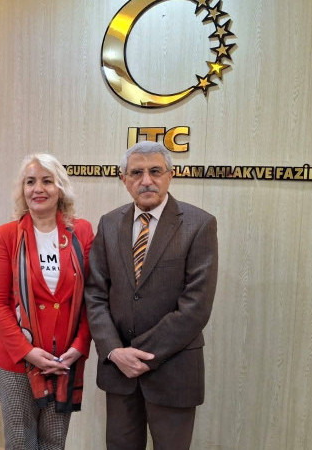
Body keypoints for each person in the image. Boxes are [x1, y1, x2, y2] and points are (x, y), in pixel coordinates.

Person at [85, 141, 218, 450]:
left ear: (171, 175)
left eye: (155, 171)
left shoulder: (199, 224)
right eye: (136, 173)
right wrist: (114, 351)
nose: (146, 180)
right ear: (124, 180)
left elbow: (196, 306)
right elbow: (95, 293)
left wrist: (140, 355)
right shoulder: (108, 224)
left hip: (173, 370)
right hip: (119, 372)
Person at [0, 153, 94, 450]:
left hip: (64, 359)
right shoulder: (8, 235)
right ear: (22, 190)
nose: (38, 189)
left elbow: (92, 298)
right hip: (15, 360)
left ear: (61, 188)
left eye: (47, 181)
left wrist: (80, 346)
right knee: (21, 441)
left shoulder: (81, 231)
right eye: (30, 182)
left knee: (54, 441)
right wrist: (27, 351)